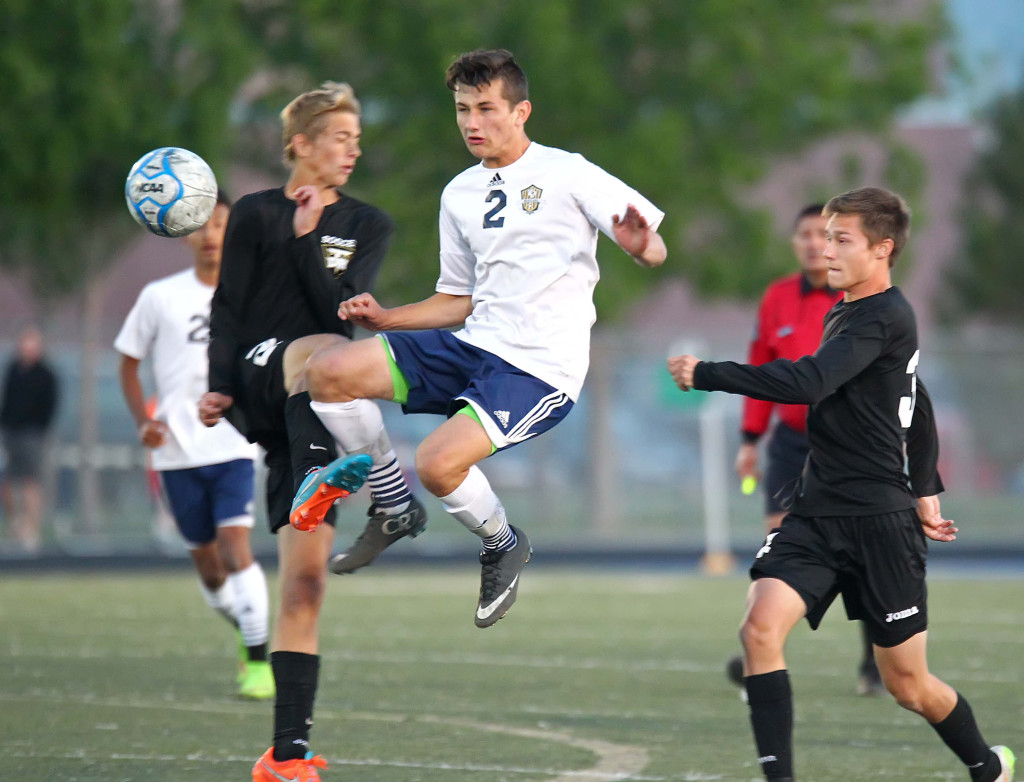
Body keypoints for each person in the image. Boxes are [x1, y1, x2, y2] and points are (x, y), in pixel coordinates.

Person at [296, 48, 666, 636]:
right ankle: (393, 506)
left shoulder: (569, 172)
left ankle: (503, 543)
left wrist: (638, 244)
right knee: (329, 371)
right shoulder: (459, 193)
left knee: (438, 463)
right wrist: (388, 318)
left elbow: (655, 249)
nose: (472, 122)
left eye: (487, 108)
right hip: (474, 343)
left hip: (539, 370)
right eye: (463, 109)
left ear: (522, 112)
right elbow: (458, 299)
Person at [668, 187, 1014, 782]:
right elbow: (915, 399)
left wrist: (708, 373)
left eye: (840, 239)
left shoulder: (886, 314)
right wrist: (928, 485)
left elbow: (811, 382)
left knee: (909, 685)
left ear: (882, 249)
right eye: (824, 237)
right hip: (816, 512)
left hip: (881, 522)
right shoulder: (849, 309)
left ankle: (988, 765)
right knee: (758, 628)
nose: (824, 249)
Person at [195, 82, 422, 782]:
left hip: (314, 412)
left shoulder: (369, 223)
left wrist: (312, 241)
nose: (353, 149)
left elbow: (346, 306)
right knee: (319, 351)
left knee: (306, 586)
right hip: (269, 376)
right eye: (340, 138)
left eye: (357, 139)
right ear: (300, 144)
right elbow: (230, 307)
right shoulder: (257, 213)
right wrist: (219, 384)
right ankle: (356, 482)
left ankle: (286, 757)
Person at [115, 190, 274, 700]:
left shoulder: (251, 297)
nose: (211, 236)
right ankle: (244, 625)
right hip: (175, 454)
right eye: (202, 226)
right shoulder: (160, 297)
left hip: (231, 446)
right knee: (209, 569)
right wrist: (144, 421)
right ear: (185, 232)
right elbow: (128, 362)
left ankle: (257, 660)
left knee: (235, 546)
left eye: (221, 225)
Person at [725, 204, 881, 698]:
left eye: (825, 235)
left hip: (847, 445)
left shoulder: (859, 298)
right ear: (794, 243)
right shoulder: (777, 298)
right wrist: (750, 439)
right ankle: (763, 655)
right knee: (780, 545)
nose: (816, 244)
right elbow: (761, 368)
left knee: (860, 554)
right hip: (791, 443)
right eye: (806, 235)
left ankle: (874, 661)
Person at [0, 324, 59, 553]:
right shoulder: (13, 369)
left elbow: (50, 406)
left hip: (33, 434)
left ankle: (32, 531)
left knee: (31, 483)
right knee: (8, 482)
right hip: (11, 433)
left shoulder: (46, 374)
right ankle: (15, 524)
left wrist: (40, 429)